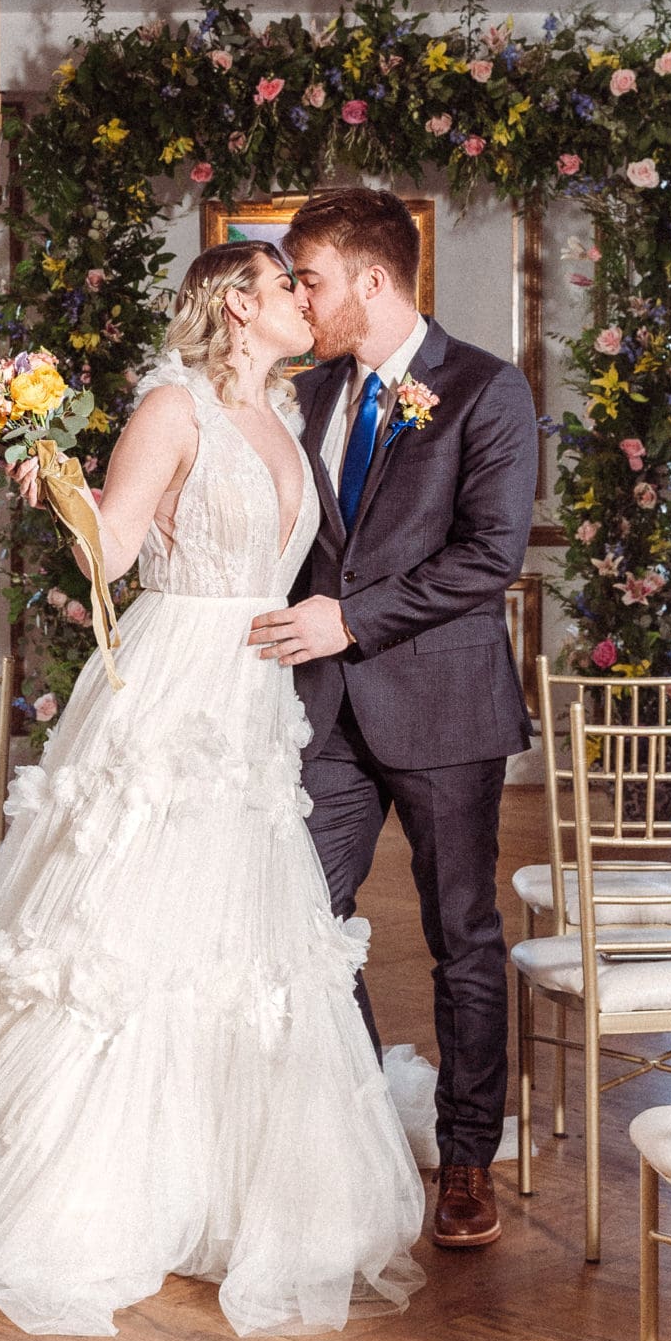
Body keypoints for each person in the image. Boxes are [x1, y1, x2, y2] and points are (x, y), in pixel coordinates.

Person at [0, 241, 426, 1337]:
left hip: (253, 699)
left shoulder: (283, 412)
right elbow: (109, 556)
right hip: (172, 687)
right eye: (286, 284)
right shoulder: (171, 405)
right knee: (133, 931)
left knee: (237, 939)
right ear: (237, 304)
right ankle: (94, 1195)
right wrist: (56, 478)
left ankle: (226, 1184)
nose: (304, 300)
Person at [247, 187, 539, 1253]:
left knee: (460, 934)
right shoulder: (308, 390)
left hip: (444, 706)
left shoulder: (485, 388)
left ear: (370, 281)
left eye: (309, 279)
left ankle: (466, 1157)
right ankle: (364, 1121)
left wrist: (351, 619)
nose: (298, 298)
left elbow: (489, 555)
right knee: (306, 921)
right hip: (325, 714)